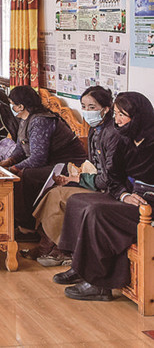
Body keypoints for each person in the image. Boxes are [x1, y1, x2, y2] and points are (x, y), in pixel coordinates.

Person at [55, 92, 154, 301]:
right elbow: (113, 177)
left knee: (97, 212)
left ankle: (99, 284)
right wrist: (124, 195)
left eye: (123, 115)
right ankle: (79, 267)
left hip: (149, 205)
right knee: (77, 202)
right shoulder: (125, 139)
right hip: (131, 196)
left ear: (138, 116)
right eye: (116, 114)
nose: (117, 120)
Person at [28, 86, 123, 266]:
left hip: (108, 189)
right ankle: (48, 244)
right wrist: (75, 176)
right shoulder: (95, 130)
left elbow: (108, 177)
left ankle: (64, 249)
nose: (87, 111)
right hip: (95, 180)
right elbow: (93, 165)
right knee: (53, 192)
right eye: (84, 107)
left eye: (92, 107)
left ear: (106, 109)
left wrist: (78, 179)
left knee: (62, 197)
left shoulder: (112, 133)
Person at [0, 86, 88, 238]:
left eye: (13, 104)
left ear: (21, 106)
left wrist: (14, 168)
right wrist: (8, 162)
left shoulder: (40, 121)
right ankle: (14, 220)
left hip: (68, 165)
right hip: (50, 162)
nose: (12, 108)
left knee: (25, 176)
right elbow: (21, 148)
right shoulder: (25, 119)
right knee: (10, 172)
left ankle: (28, 227)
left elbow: (38, 158)